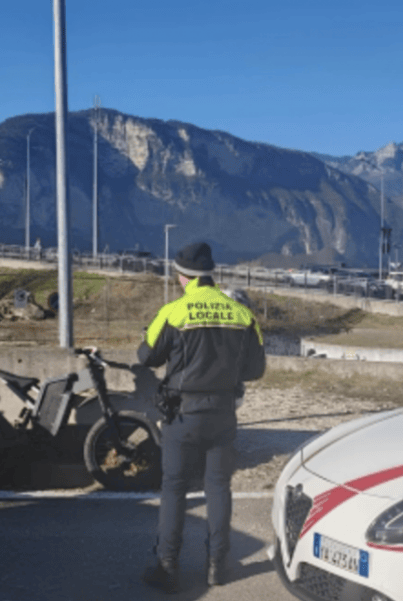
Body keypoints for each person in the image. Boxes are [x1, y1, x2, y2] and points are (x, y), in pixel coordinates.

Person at [138, 241, 266, 592]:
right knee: (219, 487)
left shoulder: (174, 312)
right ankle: (217, 567)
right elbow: (256, 370)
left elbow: (146, 356)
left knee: (174, 488)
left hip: (183, 414)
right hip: (223, 413)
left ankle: (167, 566)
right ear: (209, 275)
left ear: (183, 277)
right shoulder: (242, 314)